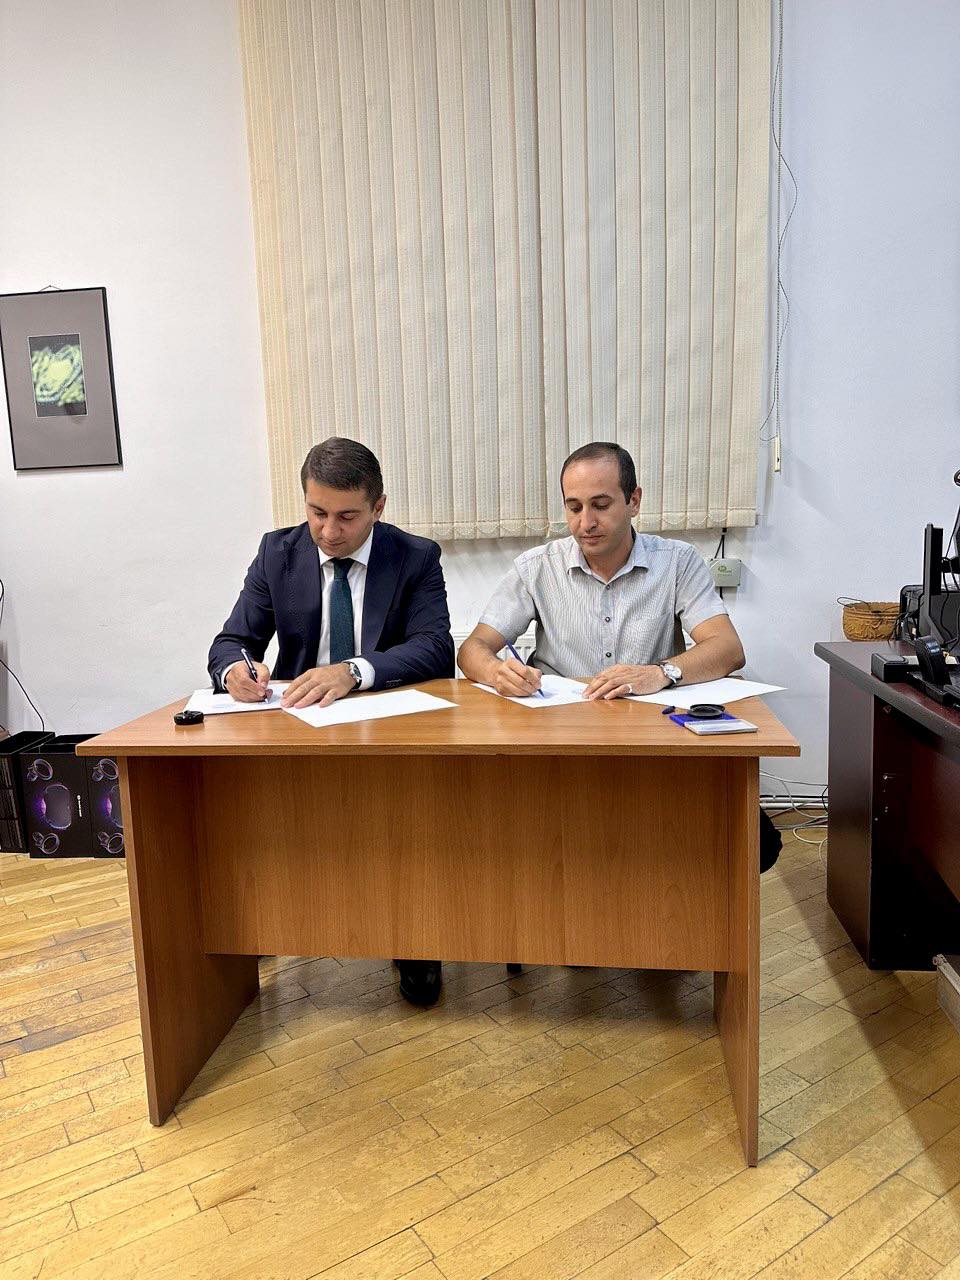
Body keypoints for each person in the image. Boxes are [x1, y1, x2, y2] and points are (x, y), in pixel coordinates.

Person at [208, 436, 455, 1007]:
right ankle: (265, 920)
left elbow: (435, 647)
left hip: (388, 725)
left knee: (404, 822)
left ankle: (415, 940)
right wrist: (235, 671)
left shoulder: (415, 556)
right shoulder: (278, 552)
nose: (328, 531)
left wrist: (352, 670)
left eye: (347, 516)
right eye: (317, 512)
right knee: (257, 815)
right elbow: (232, 640)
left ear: (378, 507)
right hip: (300, 723)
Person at [458, 440, 782, 870]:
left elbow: (728, 648)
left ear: (634, 501)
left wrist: (661, 672)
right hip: (561, 742)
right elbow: (472, 649)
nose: (585, 523)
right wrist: (497, 672)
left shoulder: (677, 562)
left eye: (600, 505)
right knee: (521, 836)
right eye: (573, 507)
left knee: (755, 844)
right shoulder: (537, 567)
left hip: (653, 740)